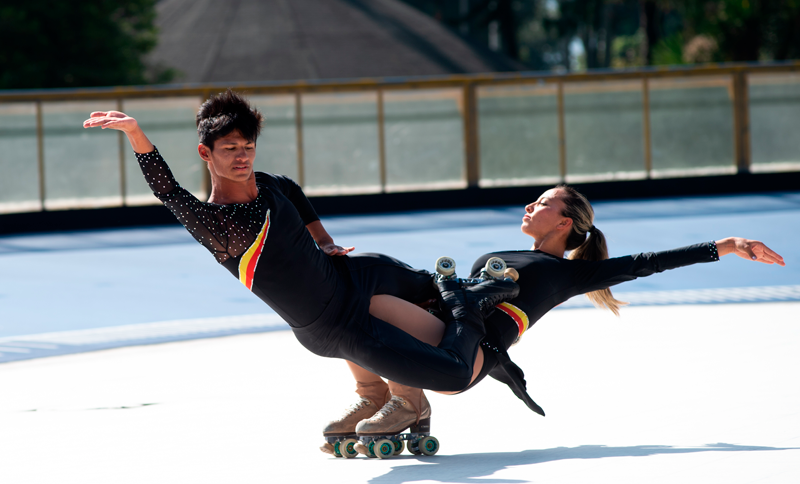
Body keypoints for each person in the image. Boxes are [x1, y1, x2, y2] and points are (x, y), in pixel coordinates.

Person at [81, 90, 519, 401]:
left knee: (426, 295)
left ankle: (466, 302)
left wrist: (324, 242)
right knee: (431, 363)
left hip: (351, 284)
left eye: (248, 146)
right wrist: (136, 135)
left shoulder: (270, 186)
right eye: (230, 147)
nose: (242, 156)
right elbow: (169, 192)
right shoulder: (215, 222)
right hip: (325, 324)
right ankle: (455, 317)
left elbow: (291, 190)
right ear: (205, 153)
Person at [326, 184, 785, 456]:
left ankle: (408, 402)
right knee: (348, 305)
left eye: (543, 202)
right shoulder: (497, 256)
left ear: (565, 223)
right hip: (445, 333)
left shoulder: (569, 272)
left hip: (466, 357)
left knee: (366, 308)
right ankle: (375, 395)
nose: (530, 206)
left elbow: (647, 261)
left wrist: (725, 245)